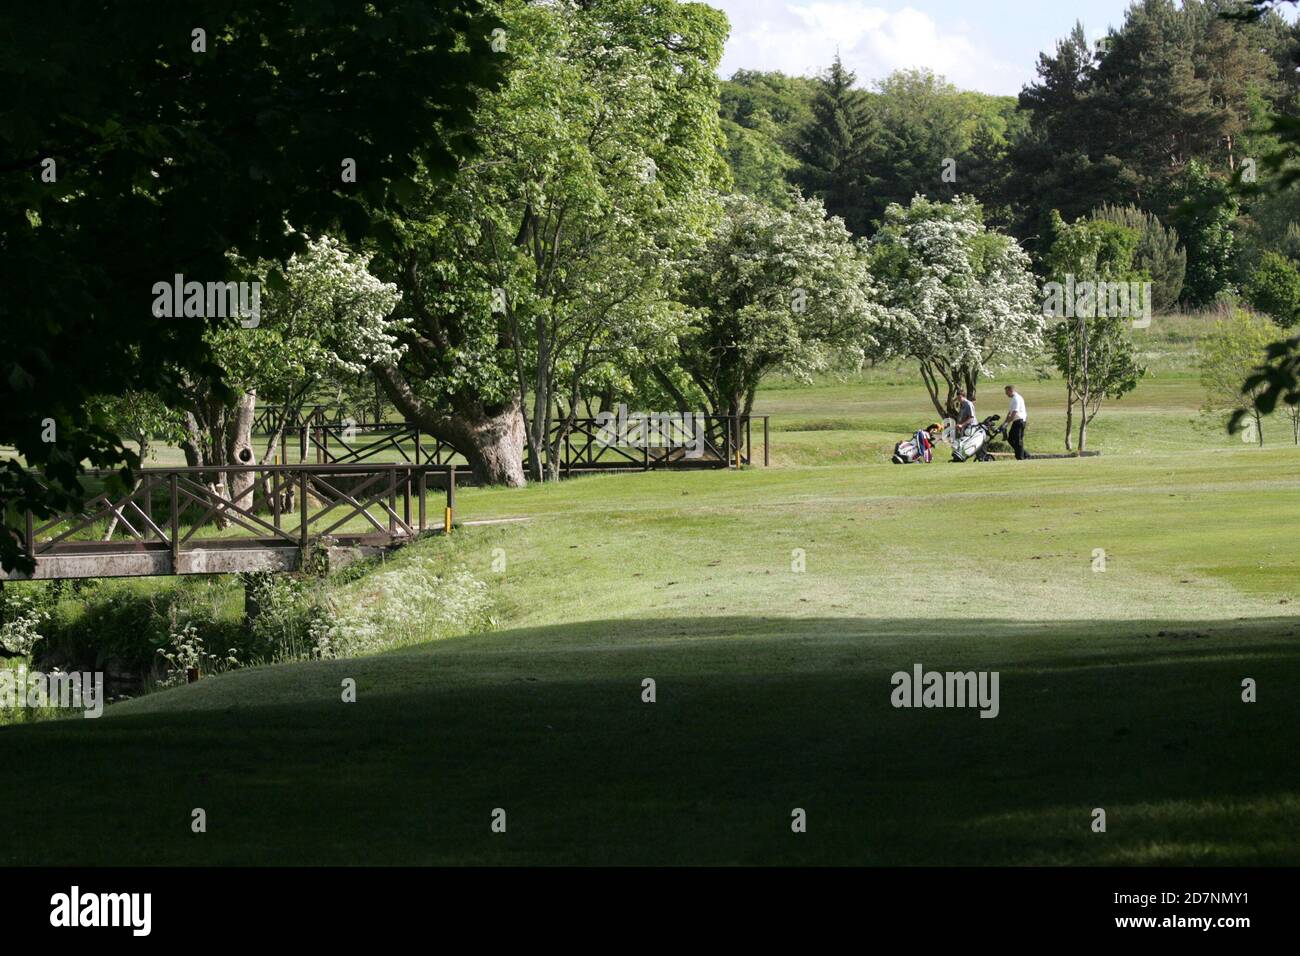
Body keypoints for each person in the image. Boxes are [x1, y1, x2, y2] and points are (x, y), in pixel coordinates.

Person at [1004, 384, 1028, 460]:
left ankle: (1020, 457)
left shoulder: (1016, 398)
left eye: (1007, 392)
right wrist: (1005, 422)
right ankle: (1025, 454)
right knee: (1010, 439)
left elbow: (1014, 412)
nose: (1006, 394)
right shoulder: (1013, 399)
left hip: (1020, 421)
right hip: (1016, 421)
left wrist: (1008, 422)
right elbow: (1010, 412)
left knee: (1018, 440)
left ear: (1011, 390)